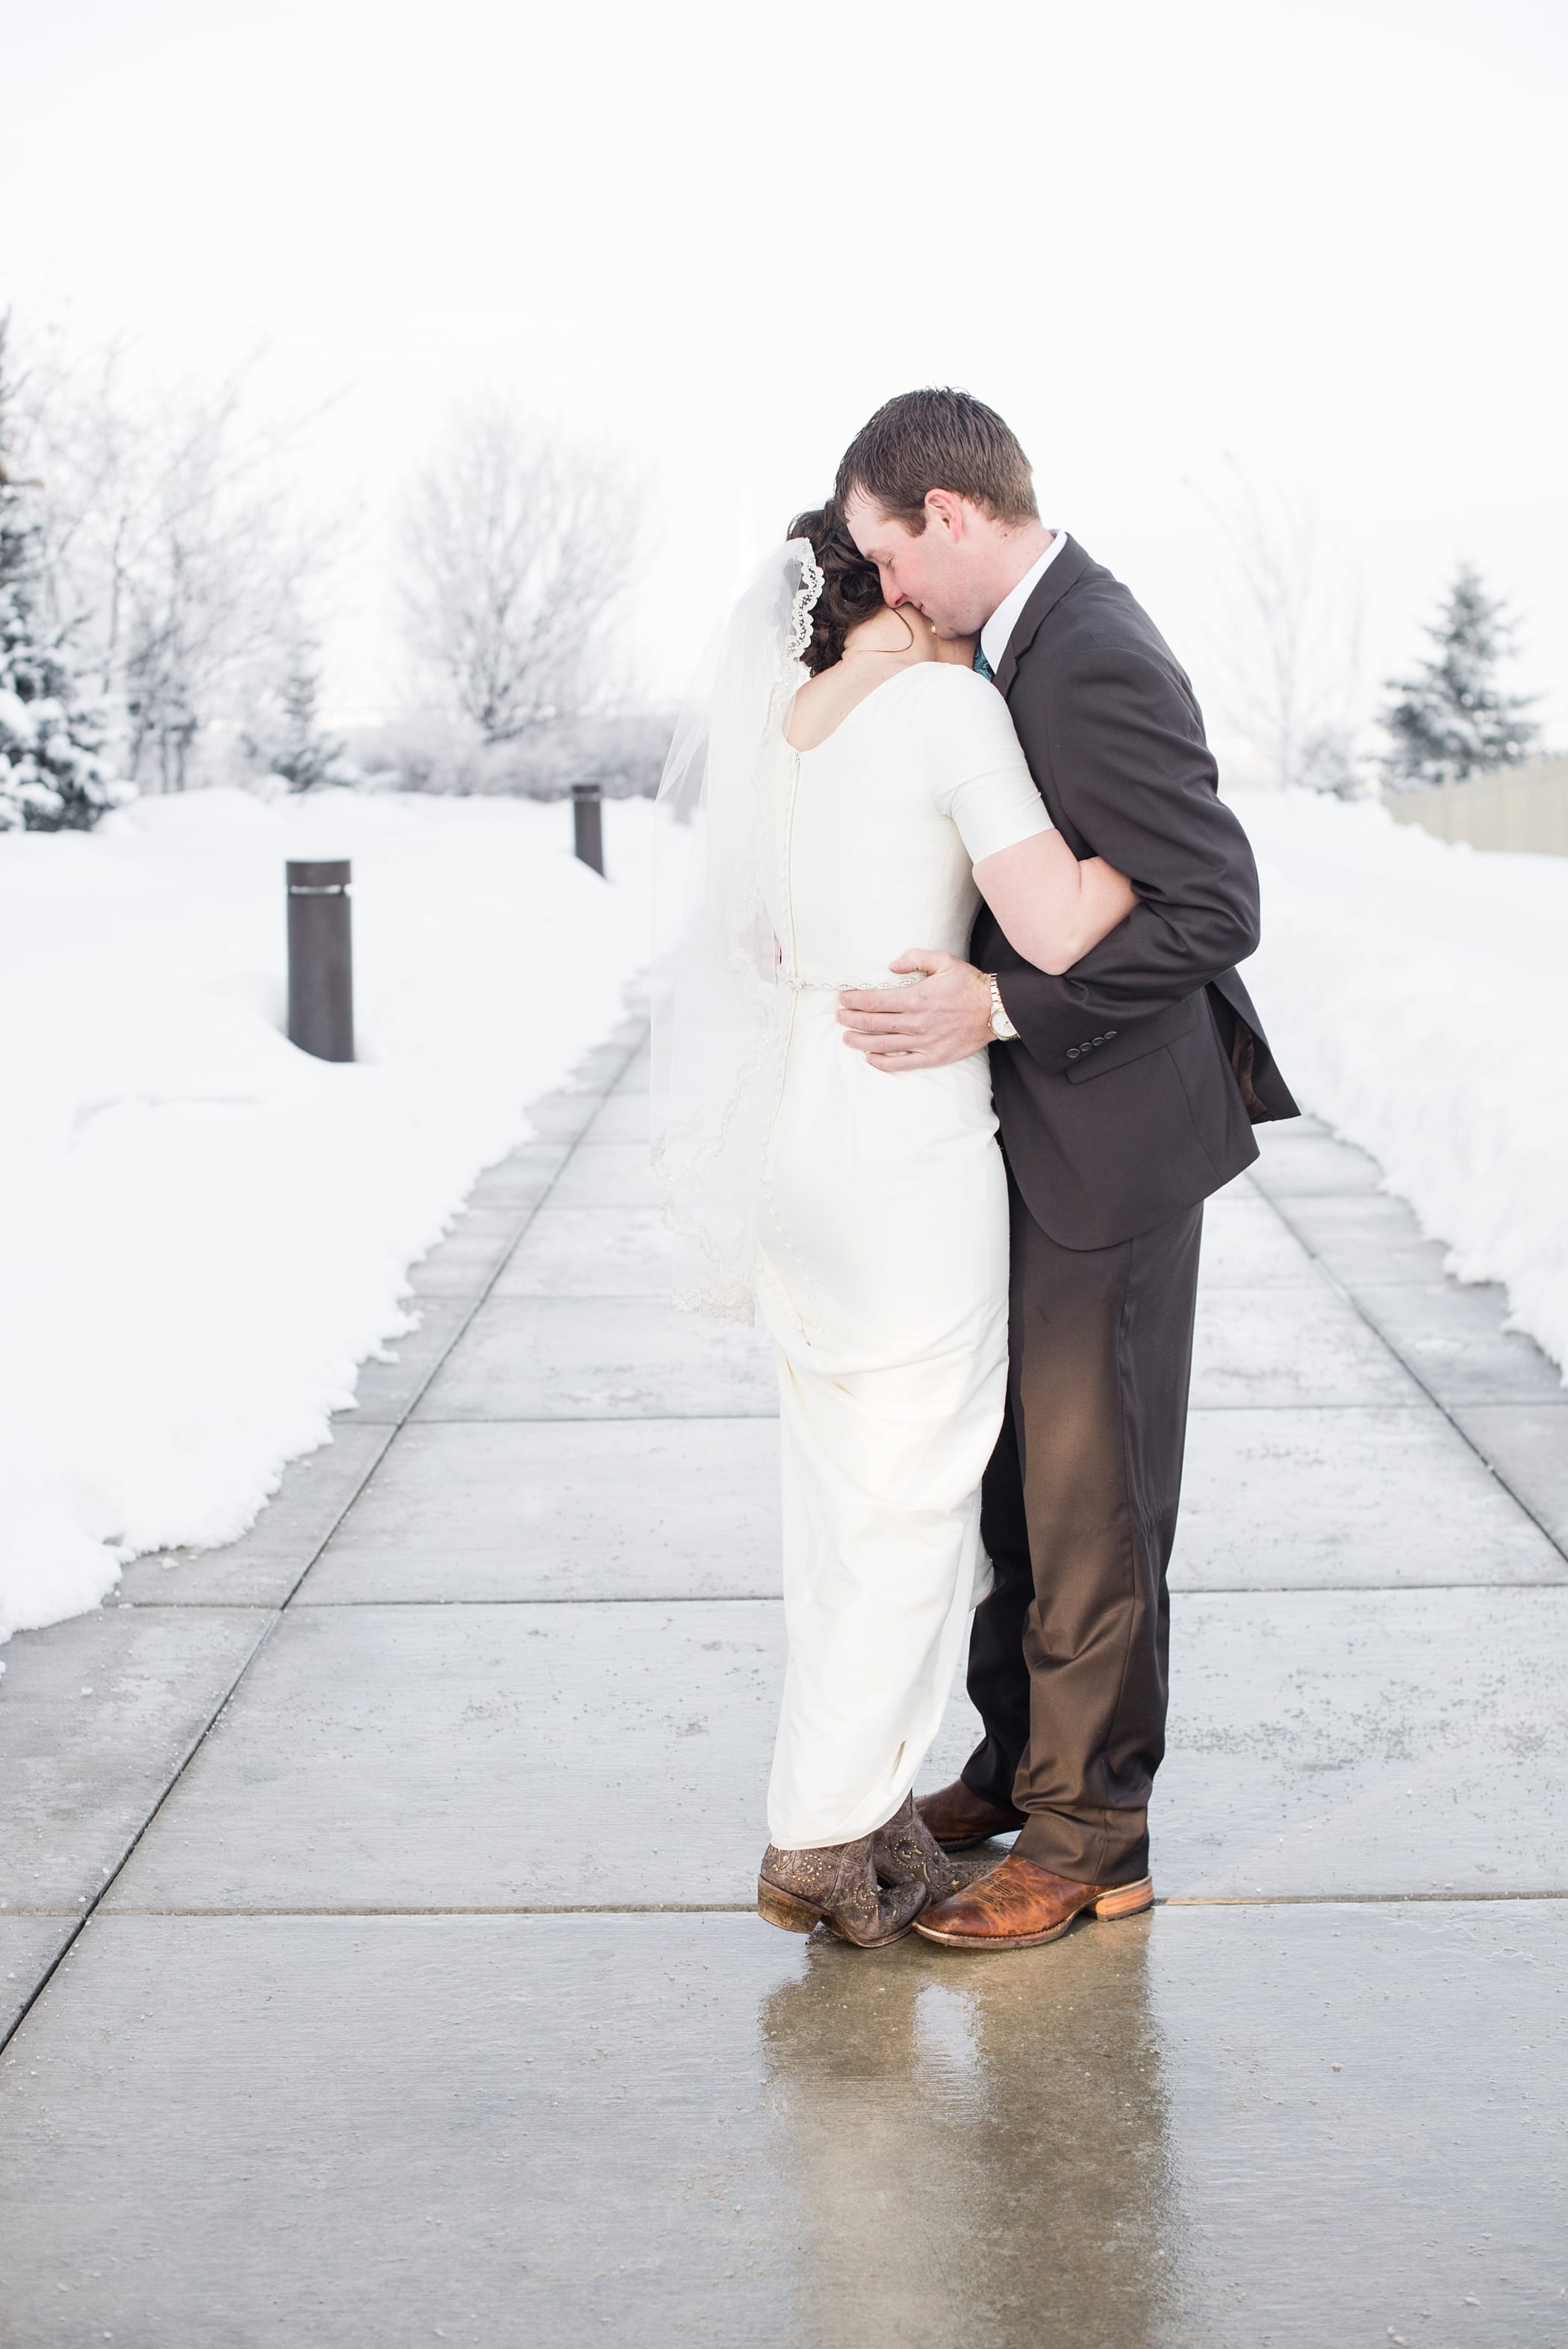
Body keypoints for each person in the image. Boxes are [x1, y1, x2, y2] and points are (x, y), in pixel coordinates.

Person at [831, 389, 1298, 1953]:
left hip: (1113, 1144)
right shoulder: (1013, 643)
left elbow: (1215, 905)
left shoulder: (1088, 648)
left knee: (1094, 1505)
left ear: (950, 516)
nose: (889, 590)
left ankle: (1096, 1839)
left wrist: (1005, 1003)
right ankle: (1017, 1766)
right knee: (1020, 1491)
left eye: (890, 554)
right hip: (1034, 1141)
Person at [652, 500, 1139, 1947]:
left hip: (799, 1129)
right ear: (895, 580)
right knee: (914, 1506)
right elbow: (1052, 927)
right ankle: (817, 1834)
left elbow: (752, 941)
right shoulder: (940, 708)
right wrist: (1143, 866)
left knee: (834, 1499)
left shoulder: (790, 722)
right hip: (903, 1143)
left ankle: (856, 1813)